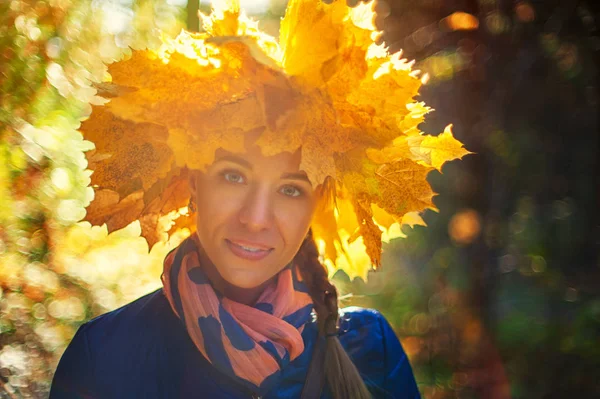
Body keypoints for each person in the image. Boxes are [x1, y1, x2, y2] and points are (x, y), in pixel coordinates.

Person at [50, 0, 468, 397]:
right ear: (194, 181)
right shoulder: (105, 357)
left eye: (290, 189)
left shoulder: (370, 350)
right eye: (233, 176)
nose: (256, 218)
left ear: (318, 203)